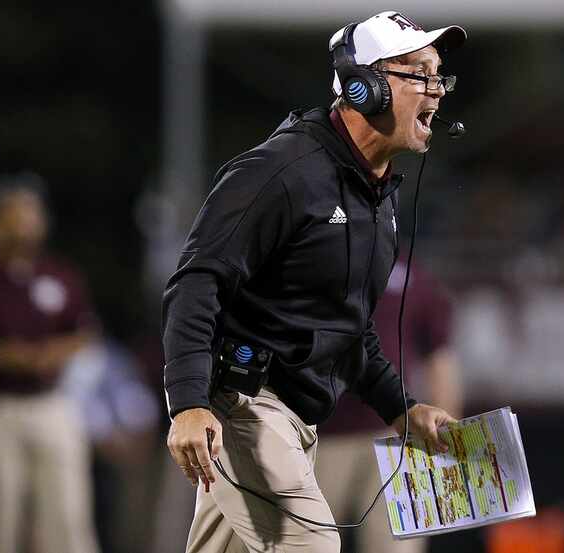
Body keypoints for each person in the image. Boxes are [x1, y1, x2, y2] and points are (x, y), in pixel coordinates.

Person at [161, 11, 467, 553]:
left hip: (297, 418)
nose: (436, 91)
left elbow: (348, 330)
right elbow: (196, 282)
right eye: (417, 73)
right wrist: (187, 402)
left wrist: (402, 407)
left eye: (437, 73)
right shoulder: (281, 171)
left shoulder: (376, 195)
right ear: (364, 86)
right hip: (244, 404)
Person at [315, 254, 462, 553]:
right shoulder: (322, 256)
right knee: (304, 538)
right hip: (324, 433)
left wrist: (449, 439)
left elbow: (440, 358)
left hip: (399, 434)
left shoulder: (414, 275)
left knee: (397, 546)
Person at [0, 174, 100, 553]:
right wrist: (8, 356)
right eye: (17, 213)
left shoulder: (58, 274)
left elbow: (85, 332)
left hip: (52, 402)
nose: (27, 221)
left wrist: (53, 353)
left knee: (66, 512)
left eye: (31, 213)